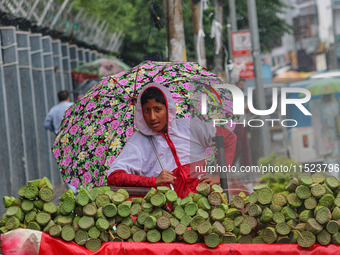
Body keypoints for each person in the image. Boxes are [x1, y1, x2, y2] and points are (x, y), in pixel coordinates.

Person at [107, 83, 237, 198]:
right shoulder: (138, 142)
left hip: (205, 203)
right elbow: (114, 176)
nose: (152, 117)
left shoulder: (190, 127)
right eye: (147, 110)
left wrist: (219, 174)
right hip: (168, 214)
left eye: (157, 109)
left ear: (168, 108)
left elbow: (228, 138)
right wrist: (152, 181)